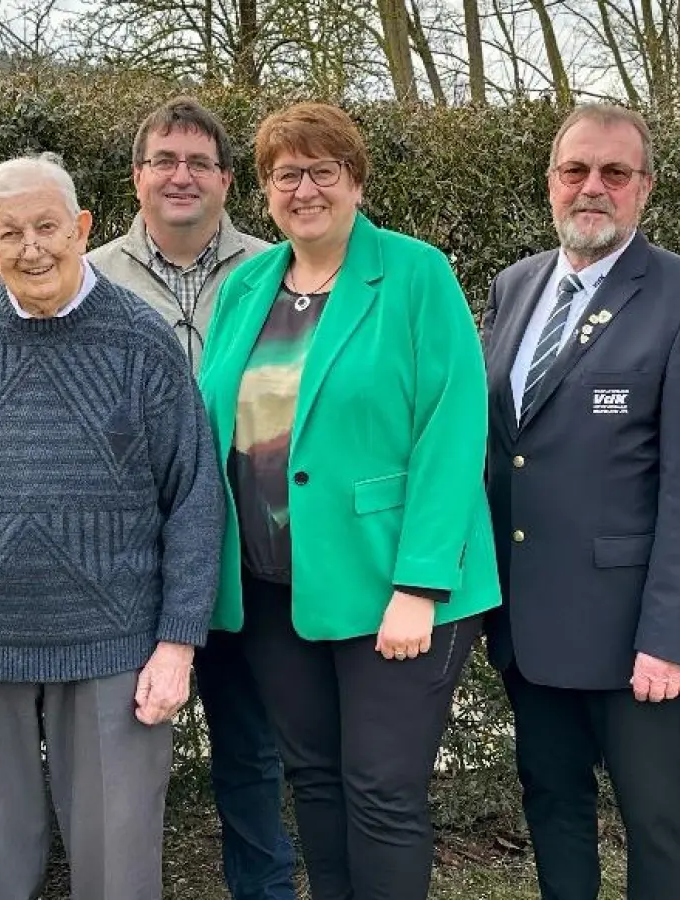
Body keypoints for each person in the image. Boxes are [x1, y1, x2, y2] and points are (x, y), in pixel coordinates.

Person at [0, 153, 223, 900]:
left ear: (82, 228)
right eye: (8, 233)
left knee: (117, 870)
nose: (30, 247)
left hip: (114, 648)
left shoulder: (140, 341)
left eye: (46, 227)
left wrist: (177, 642)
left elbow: (194, 494)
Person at [196, 101, 500, 900]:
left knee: (381, 788)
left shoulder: (413, 272)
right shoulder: (248, 286)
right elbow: (210, 425)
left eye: (321, 171)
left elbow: (451, 427)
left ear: (354, 181)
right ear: (262, 190)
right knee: (315, 781)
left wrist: (421, 584)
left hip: (391, 586)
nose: (304, 189)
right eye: (285, 174)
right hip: (273, 592)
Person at [480, 103, 680, 900]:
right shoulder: (514, 285)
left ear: (643, 189)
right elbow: (505, 448)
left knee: (657, 823)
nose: (591, 187)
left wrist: (671, 636)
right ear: (551, 182)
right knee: (552, 808)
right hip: (527, 623)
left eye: (613, 173)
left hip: (636, 638)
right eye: (575, 170)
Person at [86, 97, 293, 900]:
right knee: (120, 752)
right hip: (129, 558)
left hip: (248, 546)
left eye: (198, 162)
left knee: (252, 744)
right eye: (163, 160)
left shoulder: (279, 269)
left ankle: (263, 889)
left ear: (226, 180)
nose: (181, 175)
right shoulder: (90, 273)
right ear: (136, 177)